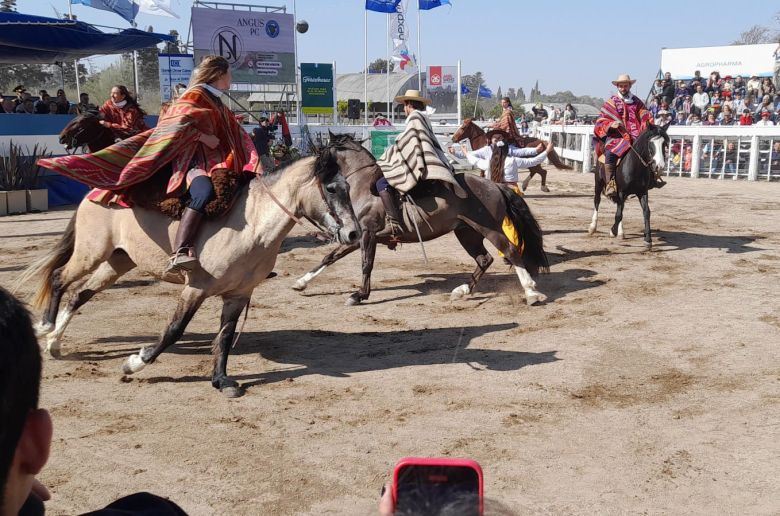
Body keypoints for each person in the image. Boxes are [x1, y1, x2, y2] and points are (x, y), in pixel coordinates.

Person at [38, 56, 259, 277]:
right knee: (203, 191)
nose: (231, 77)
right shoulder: (195, 95)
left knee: (244, 188)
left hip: (215, 160)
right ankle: (181, 249)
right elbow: (175, 124)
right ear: (219, 74)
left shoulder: (216, 99)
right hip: (190, 160)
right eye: (229, 73)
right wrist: (203, 137)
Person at [374, 89, 464, 238]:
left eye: (404, 105)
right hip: (426, 162)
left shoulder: (415, 117)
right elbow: (413, 142)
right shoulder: (423, 118)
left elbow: (407, 143)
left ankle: (394, 223)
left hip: (420, 166)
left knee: (382, 183)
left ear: (409, 105)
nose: (403, 109)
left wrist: (388, 156)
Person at [593, 73, 660, 199]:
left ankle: (651, 179)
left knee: (647, 152)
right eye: (621, 86)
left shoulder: (637, 101)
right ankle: (611, 184)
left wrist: (648, 124)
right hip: (617, 137)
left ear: (630, 86)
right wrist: (611, 124)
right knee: (610, 154)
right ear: (618, 86)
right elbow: (601, 121)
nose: (623, 88)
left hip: (635, 136)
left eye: (626, 85)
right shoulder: (611, 102)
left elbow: (645, 114)